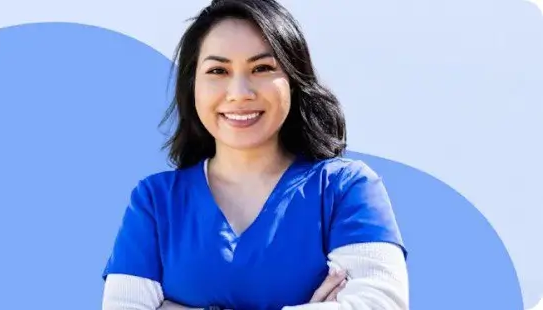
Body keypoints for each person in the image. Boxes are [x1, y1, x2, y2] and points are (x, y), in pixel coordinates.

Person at [101, 0, 409, 309]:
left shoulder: (345, 189)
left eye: (262, 68)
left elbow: (380, 303)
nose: (239, 92)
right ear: (193, 86)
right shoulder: (156, 202)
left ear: (293, 79)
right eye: (218, 70)